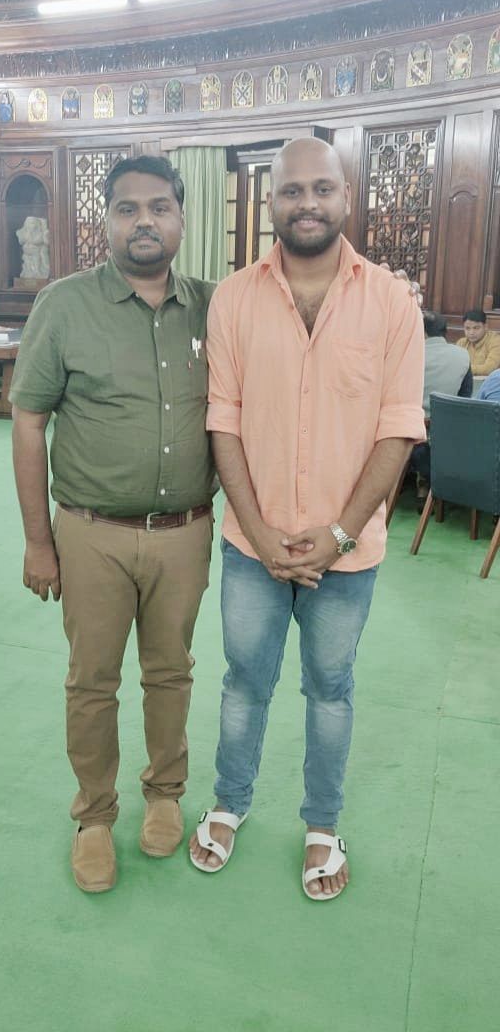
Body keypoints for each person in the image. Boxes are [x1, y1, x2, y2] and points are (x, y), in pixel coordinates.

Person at [189, 137, 426, 901]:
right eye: (292, 191)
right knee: (242, 684)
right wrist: (258, 533)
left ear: (346, 197)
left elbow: (398, 428)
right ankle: (230, 803)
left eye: (322, 189)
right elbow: (222, 423)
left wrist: (341, 533)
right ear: (272, 203)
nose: (307, 203)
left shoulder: (390, 300)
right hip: (251, 548)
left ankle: (323, 823)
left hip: (346, 556)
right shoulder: (234, 298)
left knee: (331, 689)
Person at [10, 156, 216, 893]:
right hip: (89, 530)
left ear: (182, 217)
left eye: (159, 207)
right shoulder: (64, 305)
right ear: (107, 220)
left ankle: (164, 796)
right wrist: (40, 541)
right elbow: (29, 422)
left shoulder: (213, 307)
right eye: (127, 209)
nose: (144, 222)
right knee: (91, 681)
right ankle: (94, 816)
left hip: (186, 532)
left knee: (170, 672)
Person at [412, 311, 473, 499]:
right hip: (448, 436)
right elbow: (464, 397)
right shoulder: (463, 355)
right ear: (445, 332)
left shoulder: (410, 354)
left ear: (422, 332)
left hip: (410, 434)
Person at [457, 309, 500, 376]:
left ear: (485, 327)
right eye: (467, 328)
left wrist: (462, 369)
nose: (471, 333)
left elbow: (489, 369)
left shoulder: (496, 341)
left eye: (476, 328)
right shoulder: (462, 343)